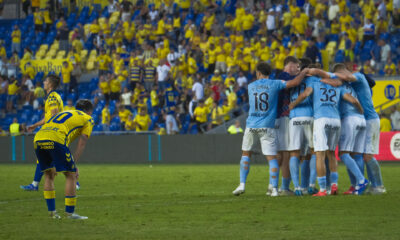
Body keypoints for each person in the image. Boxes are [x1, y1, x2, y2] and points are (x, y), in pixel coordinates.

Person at [232, 62, 309, 197]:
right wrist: (303, 72)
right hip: (267, 126)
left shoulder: (250, 86)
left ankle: (242, 184)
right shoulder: (275, 84)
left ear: (258, 73)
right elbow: (295, 83)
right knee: (272, 157)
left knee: (246, 154)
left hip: (251, 125)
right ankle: (274, 189)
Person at [291, 71, 365, 197]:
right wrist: (361, 110)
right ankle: (334, 185)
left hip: (321, 120)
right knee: (331, 154)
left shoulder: (314, 84)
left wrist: (293, 104)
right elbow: (353, 100)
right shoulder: (338, 86)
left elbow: (304, 94)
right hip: (336, 121)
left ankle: (323, 189)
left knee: (320, 154)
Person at [322, 69, 386, 194]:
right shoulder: (352, 87)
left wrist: (326, 75)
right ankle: (358, 185)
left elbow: (347, 79)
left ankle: (378, 186)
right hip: (362, 119)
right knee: (356, 155)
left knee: (367, 156)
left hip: (370, 120)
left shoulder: (358, 77)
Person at [34, 99, 94, 219]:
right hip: (56, 139)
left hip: (38, 138)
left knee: (49, 175)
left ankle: (52, 213)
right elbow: (82, 143)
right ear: (89, 111)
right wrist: (74, 165)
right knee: (70, 175)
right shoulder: (88, 118)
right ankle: (70, 213)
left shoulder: (66, 112)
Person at [20, 75, 64, 191]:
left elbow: (54, 114)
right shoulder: (51, 96)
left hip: (52, 132)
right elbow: (47, 117)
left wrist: (51, 129)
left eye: (46, 81)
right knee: (46, 158)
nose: (44, 82)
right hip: (53, 131)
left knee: (50, 158)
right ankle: (34, 184)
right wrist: (35, 125)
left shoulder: (52, 97)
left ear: (50, 84)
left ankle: (74, 180)